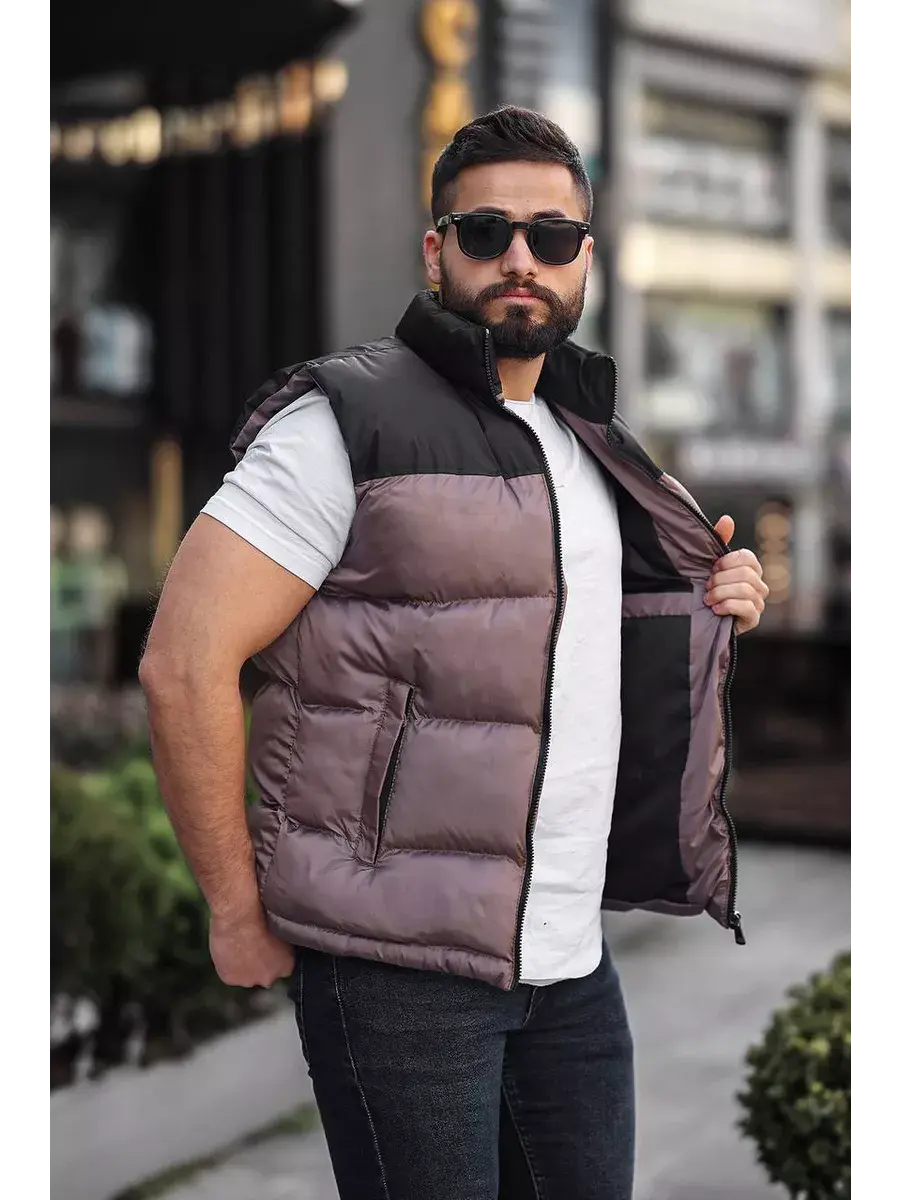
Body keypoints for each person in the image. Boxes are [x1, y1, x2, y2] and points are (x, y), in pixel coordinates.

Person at [140, 107, 769, 1200]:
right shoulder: (344, 423)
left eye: (552, 236)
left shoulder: (594, 440)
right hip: (398, 971)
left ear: (586, 260)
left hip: (568, 961)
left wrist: (724, 592)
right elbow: (182, 664)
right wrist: (235, 911)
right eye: (488, 232)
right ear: (437, 252)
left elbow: (589, 633)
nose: (522, 259)